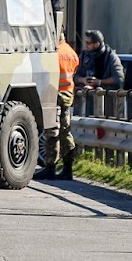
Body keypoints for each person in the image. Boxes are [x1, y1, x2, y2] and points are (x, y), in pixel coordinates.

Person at [41, 35, 79, 181]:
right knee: (65, 131)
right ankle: (67, 168)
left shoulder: (53, 52)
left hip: (54, 94)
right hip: (68, 95)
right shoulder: (71, 52)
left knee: (52, 131)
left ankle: (50, 167)